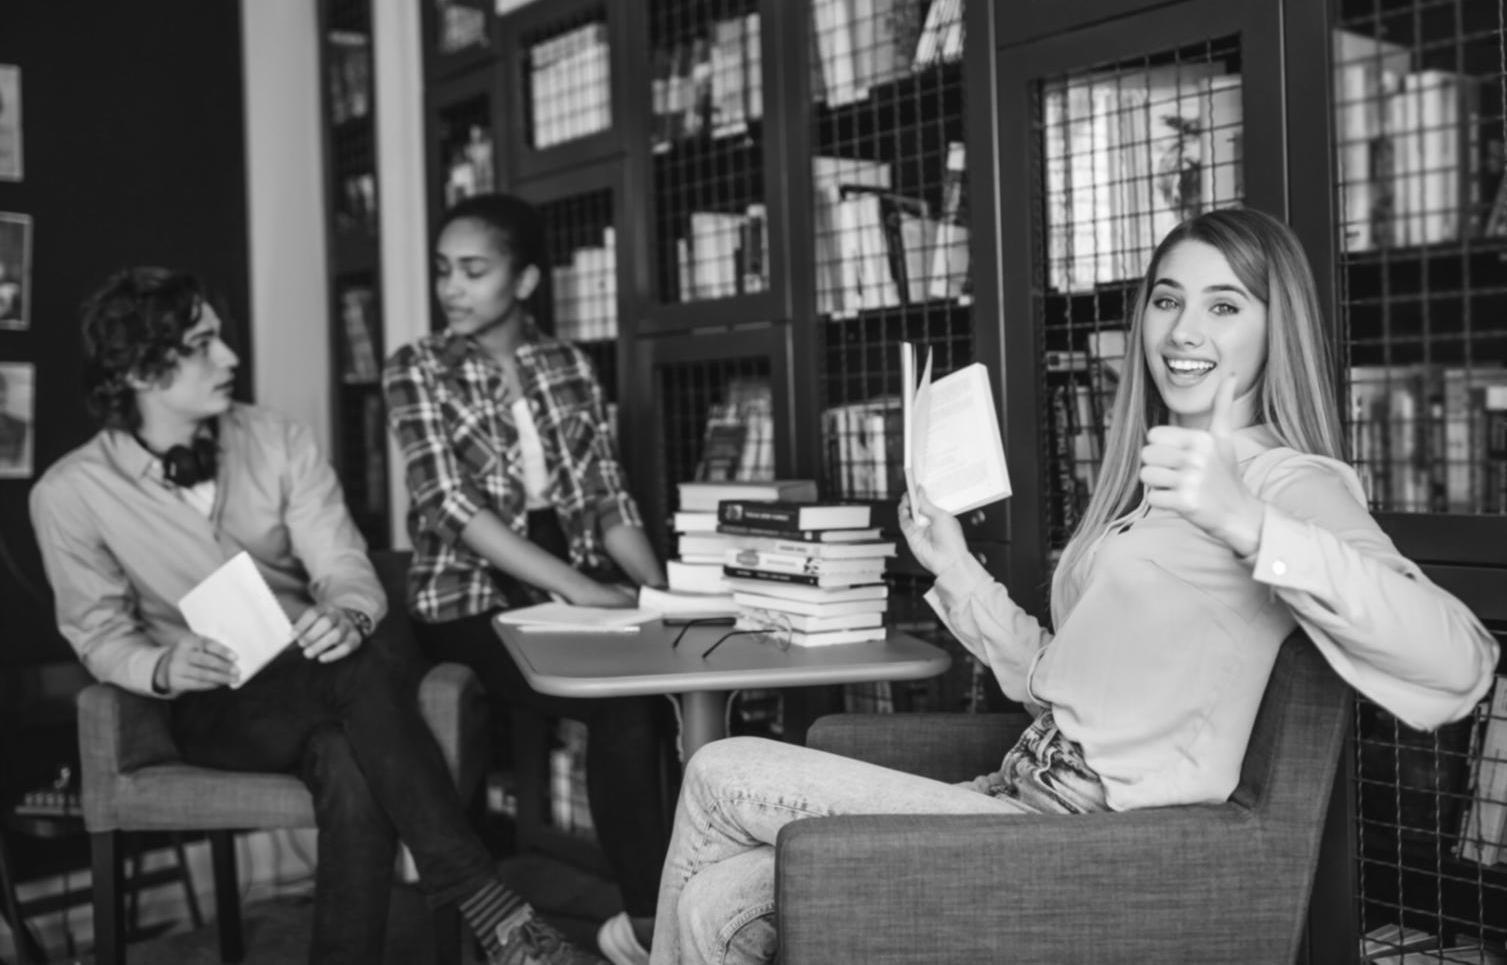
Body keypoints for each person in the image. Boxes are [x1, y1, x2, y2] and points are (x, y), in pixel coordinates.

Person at [647, 208, 1501, 964]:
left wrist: (1244, 520)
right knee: (714, 907)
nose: (1182, 330)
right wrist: (953, 563)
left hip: (1078, 842)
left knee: (722, 770)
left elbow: (1459, 662)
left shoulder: (1286, 482)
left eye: (1224, 305)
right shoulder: (1150, 488)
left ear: (1276, 331)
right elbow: (1058, 685)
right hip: (1009, 796)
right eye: (1166, 300)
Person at [30, 267, 606, 965]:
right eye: (204, 343)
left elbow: (341, 563)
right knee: (361, 678)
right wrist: (159, 664)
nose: (231, 359)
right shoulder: (70, 492)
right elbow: (97, 631)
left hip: (327, 665)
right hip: (217, 702)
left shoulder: (279, 438)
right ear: (142, 369)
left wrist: (349, 612)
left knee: (348, 749)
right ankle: (491, 906)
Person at [383, 193, 672, 965]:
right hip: (466, 593)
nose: (452, 287)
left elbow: (608, 498)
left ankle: (665, 918)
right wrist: (578, 589)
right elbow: (447, 505)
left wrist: (664, 593)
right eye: (445, 270)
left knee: (657, 691)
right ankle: (652, 929)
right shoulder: (416, 367)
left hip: (570, 572)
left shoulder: (567, 365)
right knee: (615, 706)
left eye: (473, 270)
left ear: (527, 277)